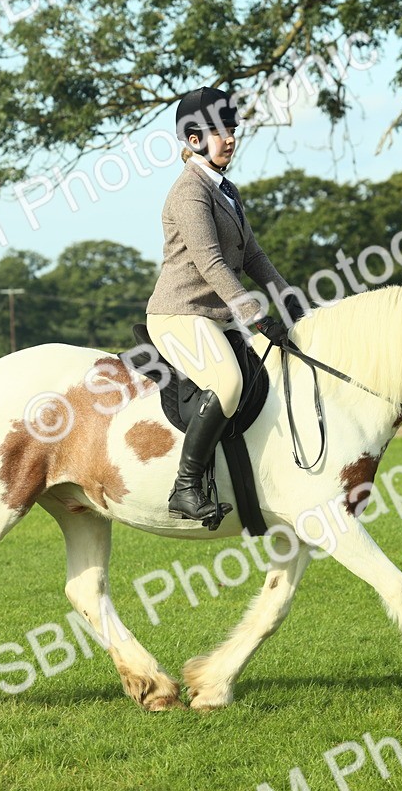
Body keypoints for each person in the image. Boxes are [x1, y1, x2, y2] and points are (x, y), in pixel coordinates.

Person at [145, 86, 305, 524]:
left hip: (215, 317)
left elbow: (252, 255)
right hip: (180, 313)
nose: (230, 137)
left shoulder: (226, 188)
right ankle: (186, 487)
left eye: (233, 129)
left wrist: (290, 300)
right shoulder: (188, 192)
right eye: (220, 130)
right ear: (194, 139)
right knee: (229, 384)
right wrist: (258, 316)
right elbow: (213, 262)